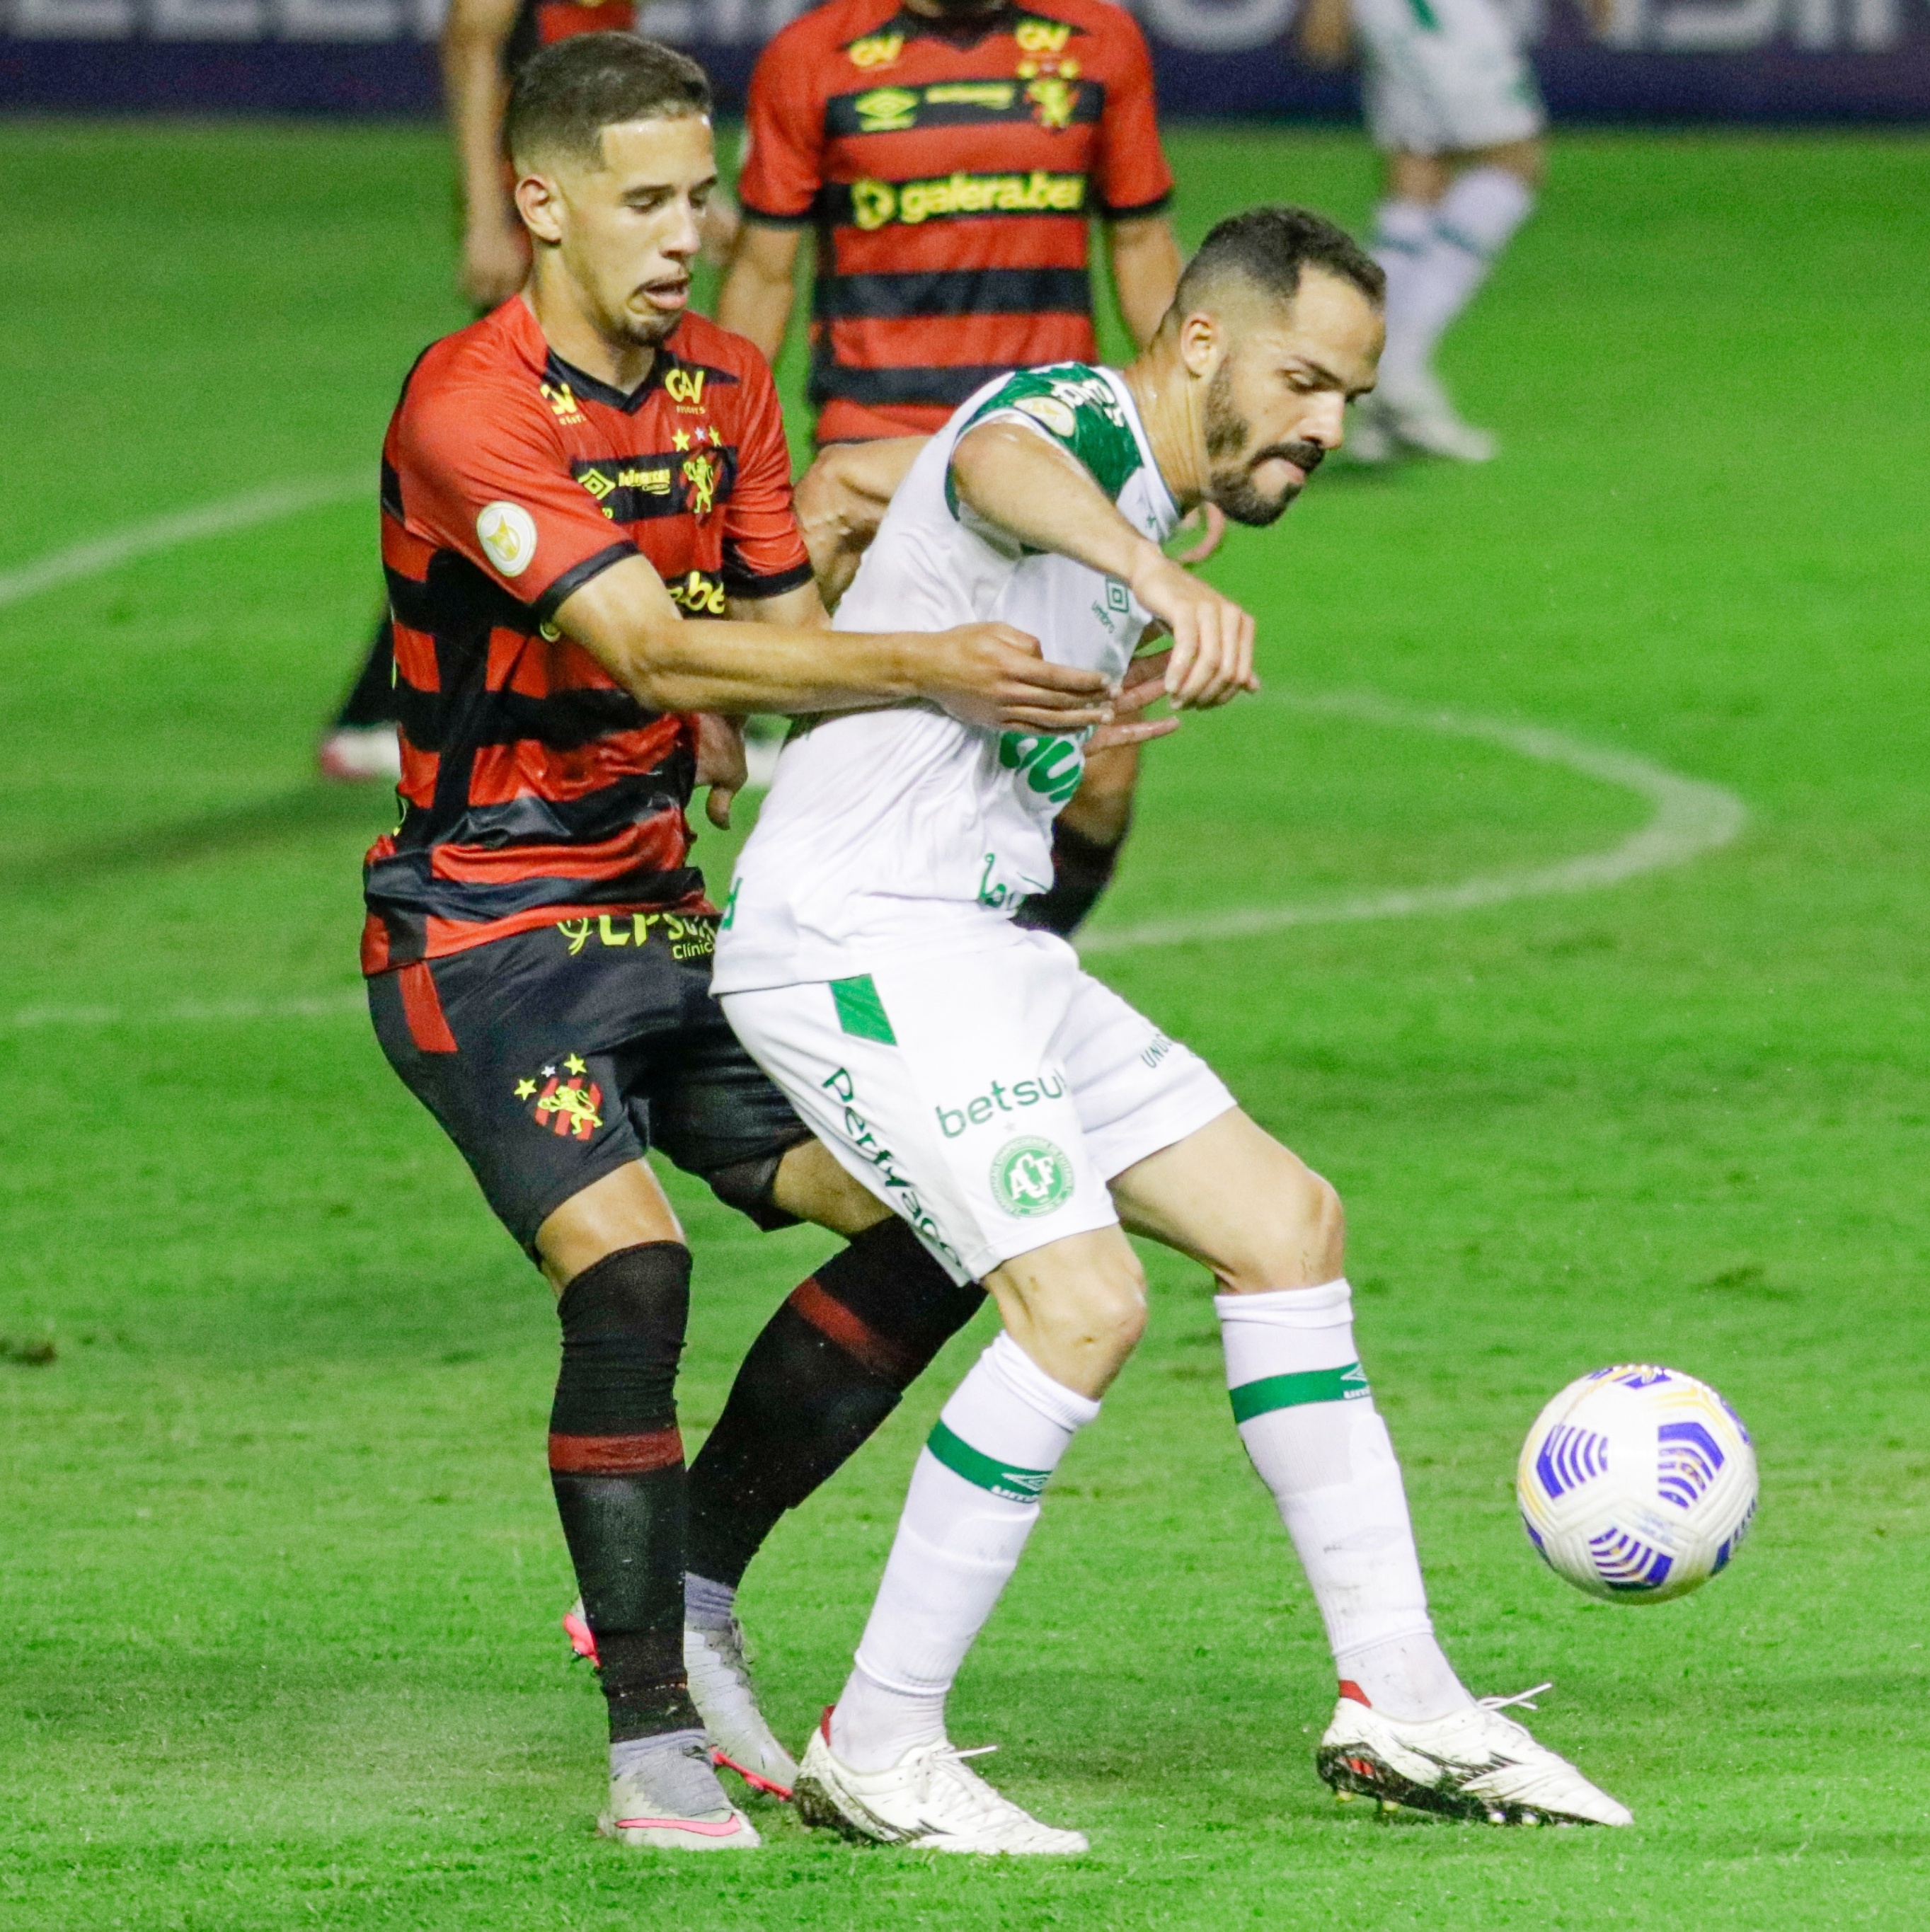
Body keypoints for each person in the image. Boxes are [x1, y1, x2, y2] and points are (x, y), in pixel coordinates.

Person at [710, 207, 1633, 1850]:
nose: (1324, 429)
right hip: (850, 939)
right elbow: (997, 453)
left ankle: (1403, 1704)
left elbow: (914, 518)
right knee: (1077, 1303)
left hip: (974, 948)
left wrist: (1098, 654)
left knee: (1284, 1226)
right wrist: (1135, 568)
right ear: (1197, 343)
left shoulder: (1151, 507)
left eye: (1348, 398)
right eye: (1300, 381)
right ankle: (880, 1740)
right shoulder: (1074, 427)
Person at [367, 30, 1118, 1850]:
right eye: (645, 199)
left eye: (700, 193)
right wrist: (915, 659)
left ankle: (687, 1590)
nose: (687, 231)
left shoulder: (722, 387)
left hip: (676, 931)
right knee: (627, 1274)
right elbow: (654, 649)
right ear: (539, 205)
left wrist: (1008, 688)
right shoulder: (469, 405)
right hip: (485, 940)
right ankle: (647, 1749)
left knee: (952, 1216)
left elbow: (781, 649)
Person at [716, 0, 1212, 938]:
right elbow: (762, 274)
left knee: (1097, 780)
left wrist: (1182, 439)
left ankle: (995, 970)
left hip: (1057, 462)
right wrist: (721, 451)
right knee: (882, 763)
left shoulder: (1096, 41)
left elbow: (1142, 240)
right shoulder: (812, 56)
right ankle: (847, 988)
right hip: (874, 466)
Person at [318, 0, 737, 784]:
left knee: (553, 463)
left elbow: (597, 65)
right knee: (520, 457)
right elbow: (471, 43)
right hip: (549, 229)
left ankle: (389, 707)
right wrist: (487, 213)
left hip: (586, 213)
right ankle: (391, 706)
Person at [1297, 0, 1605, 461]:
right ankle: (1397, 366)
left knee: (1419, 174)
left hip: (1390, 17)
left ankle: (1380, 386)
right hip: (1438, 17)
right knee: (1511, 164)